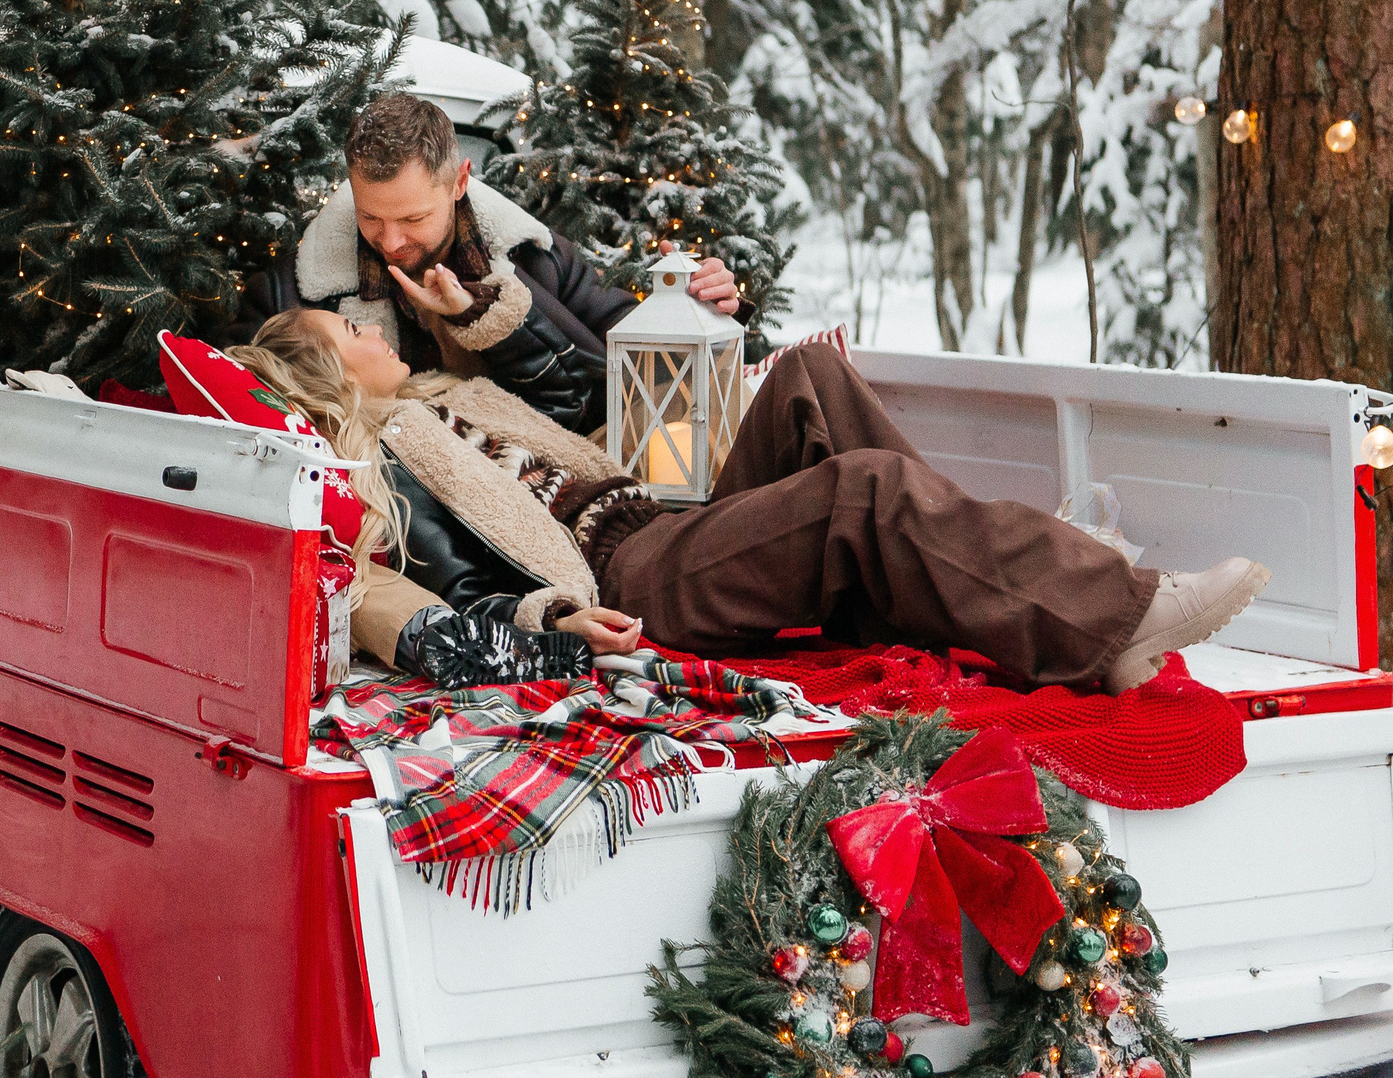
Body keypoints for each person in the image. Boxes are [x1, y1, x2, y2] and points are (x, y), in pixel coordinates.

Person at [230, 308, 1272, 696]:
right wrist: (551, 621)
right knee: (863, 492)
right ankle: (1109, 614)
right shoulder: (374, 459)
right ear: (323, 374)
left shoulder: (453, 391)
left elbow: (584, 377)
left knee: (805, 381)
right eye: (350, 332)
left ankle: (1033, 573)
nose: (377, 327)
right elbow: (430, 583)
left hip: (655, 513)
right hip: (622, 574)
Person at [252, 90, 754, 434]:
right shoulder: (294, 292)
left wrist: (699, 304)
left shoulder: (533, 255)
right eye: (369, 217)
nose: (390, 240)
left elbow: (631, 352)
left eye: (413, 217)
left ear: (460, 183)